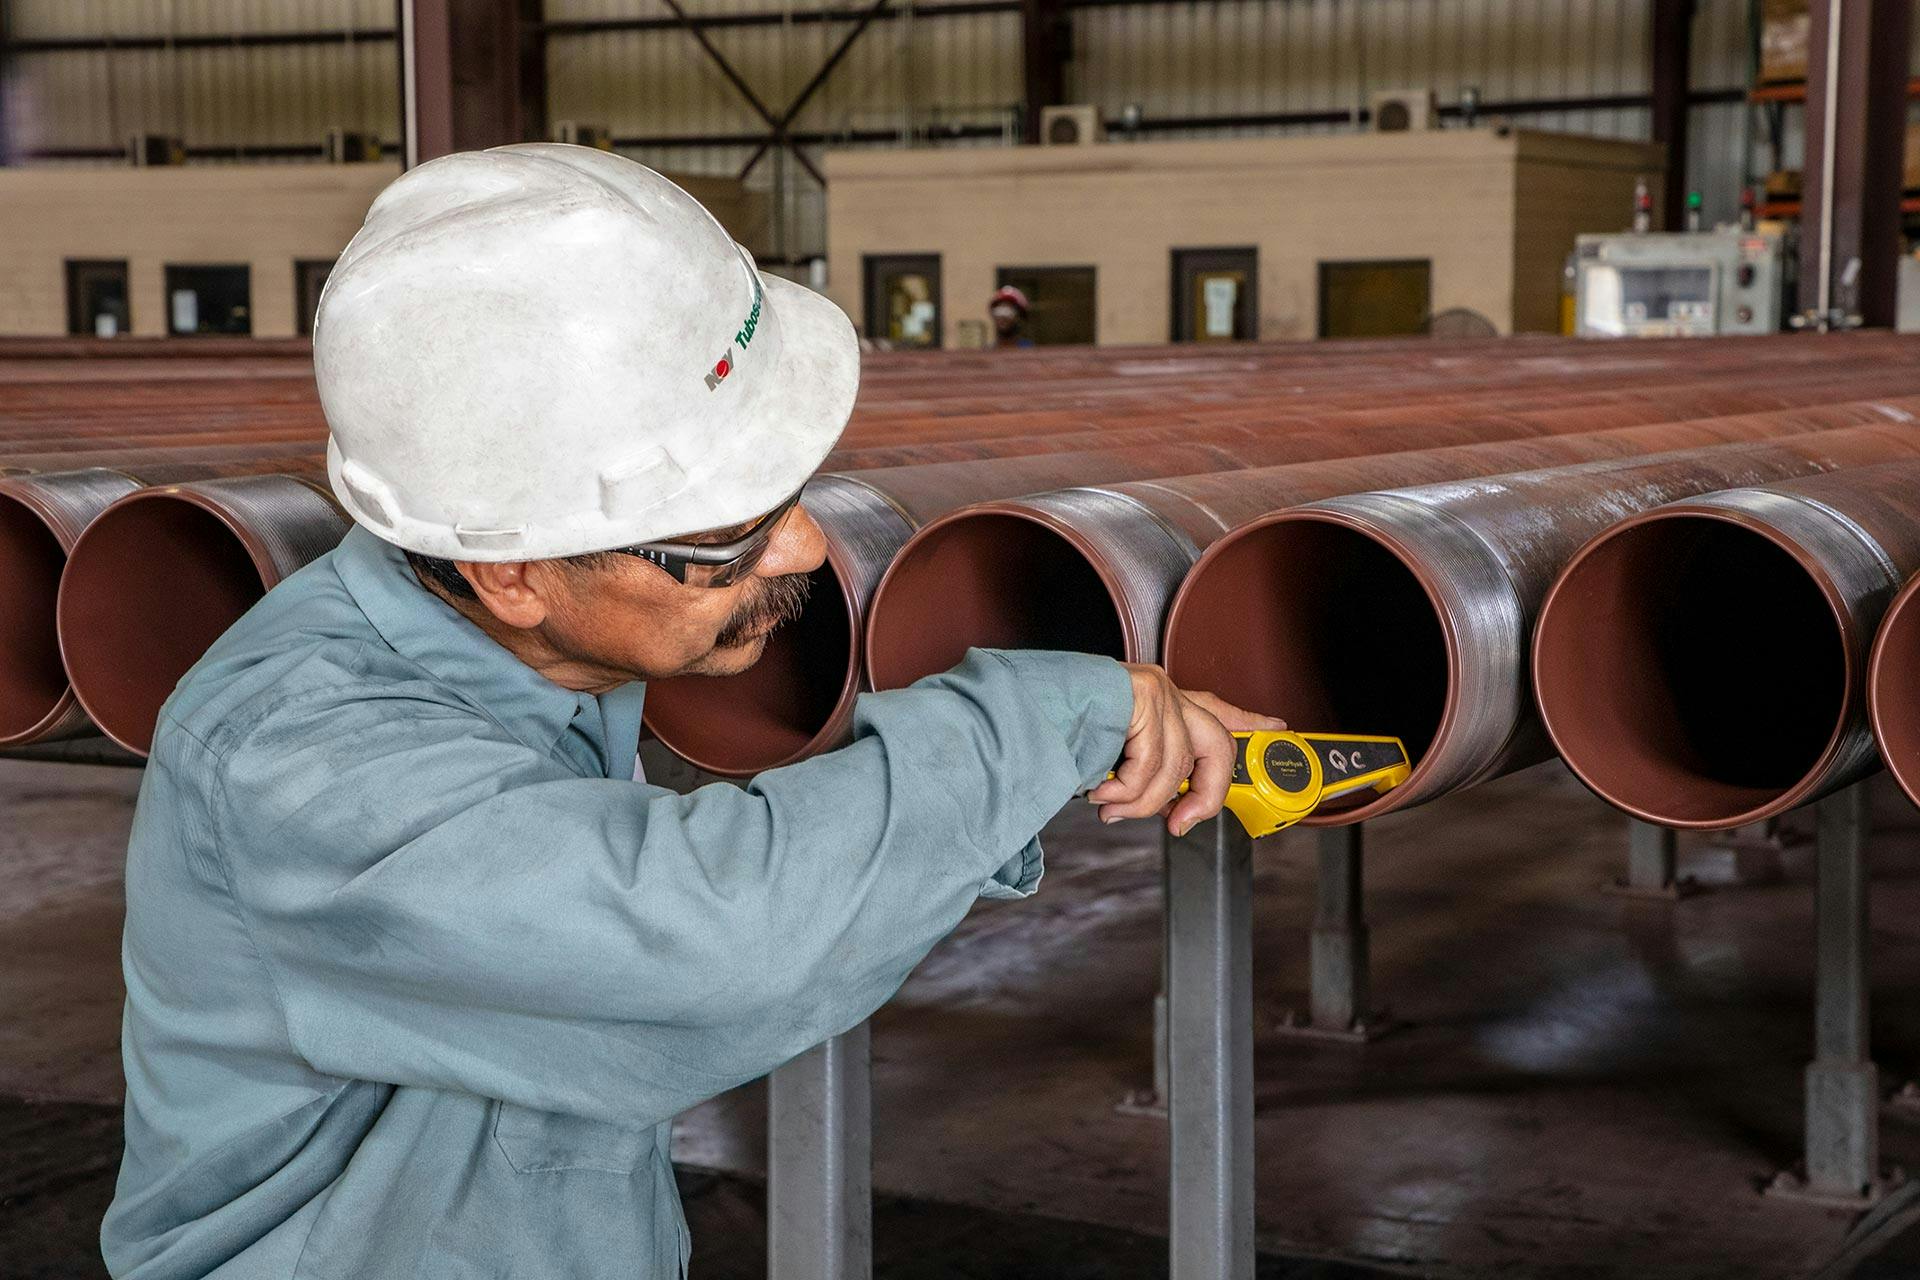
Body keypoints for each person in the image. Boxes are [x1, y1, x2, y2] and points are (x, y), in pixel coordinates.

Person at [101, 144, 1275, 1279]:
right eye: (724, 539)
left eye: (787, 493)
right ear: (513, 571)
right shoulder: (299, 753)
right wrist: (1039, 719)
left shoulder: (538, 655)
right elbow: (716, 936)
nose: (806, 545)